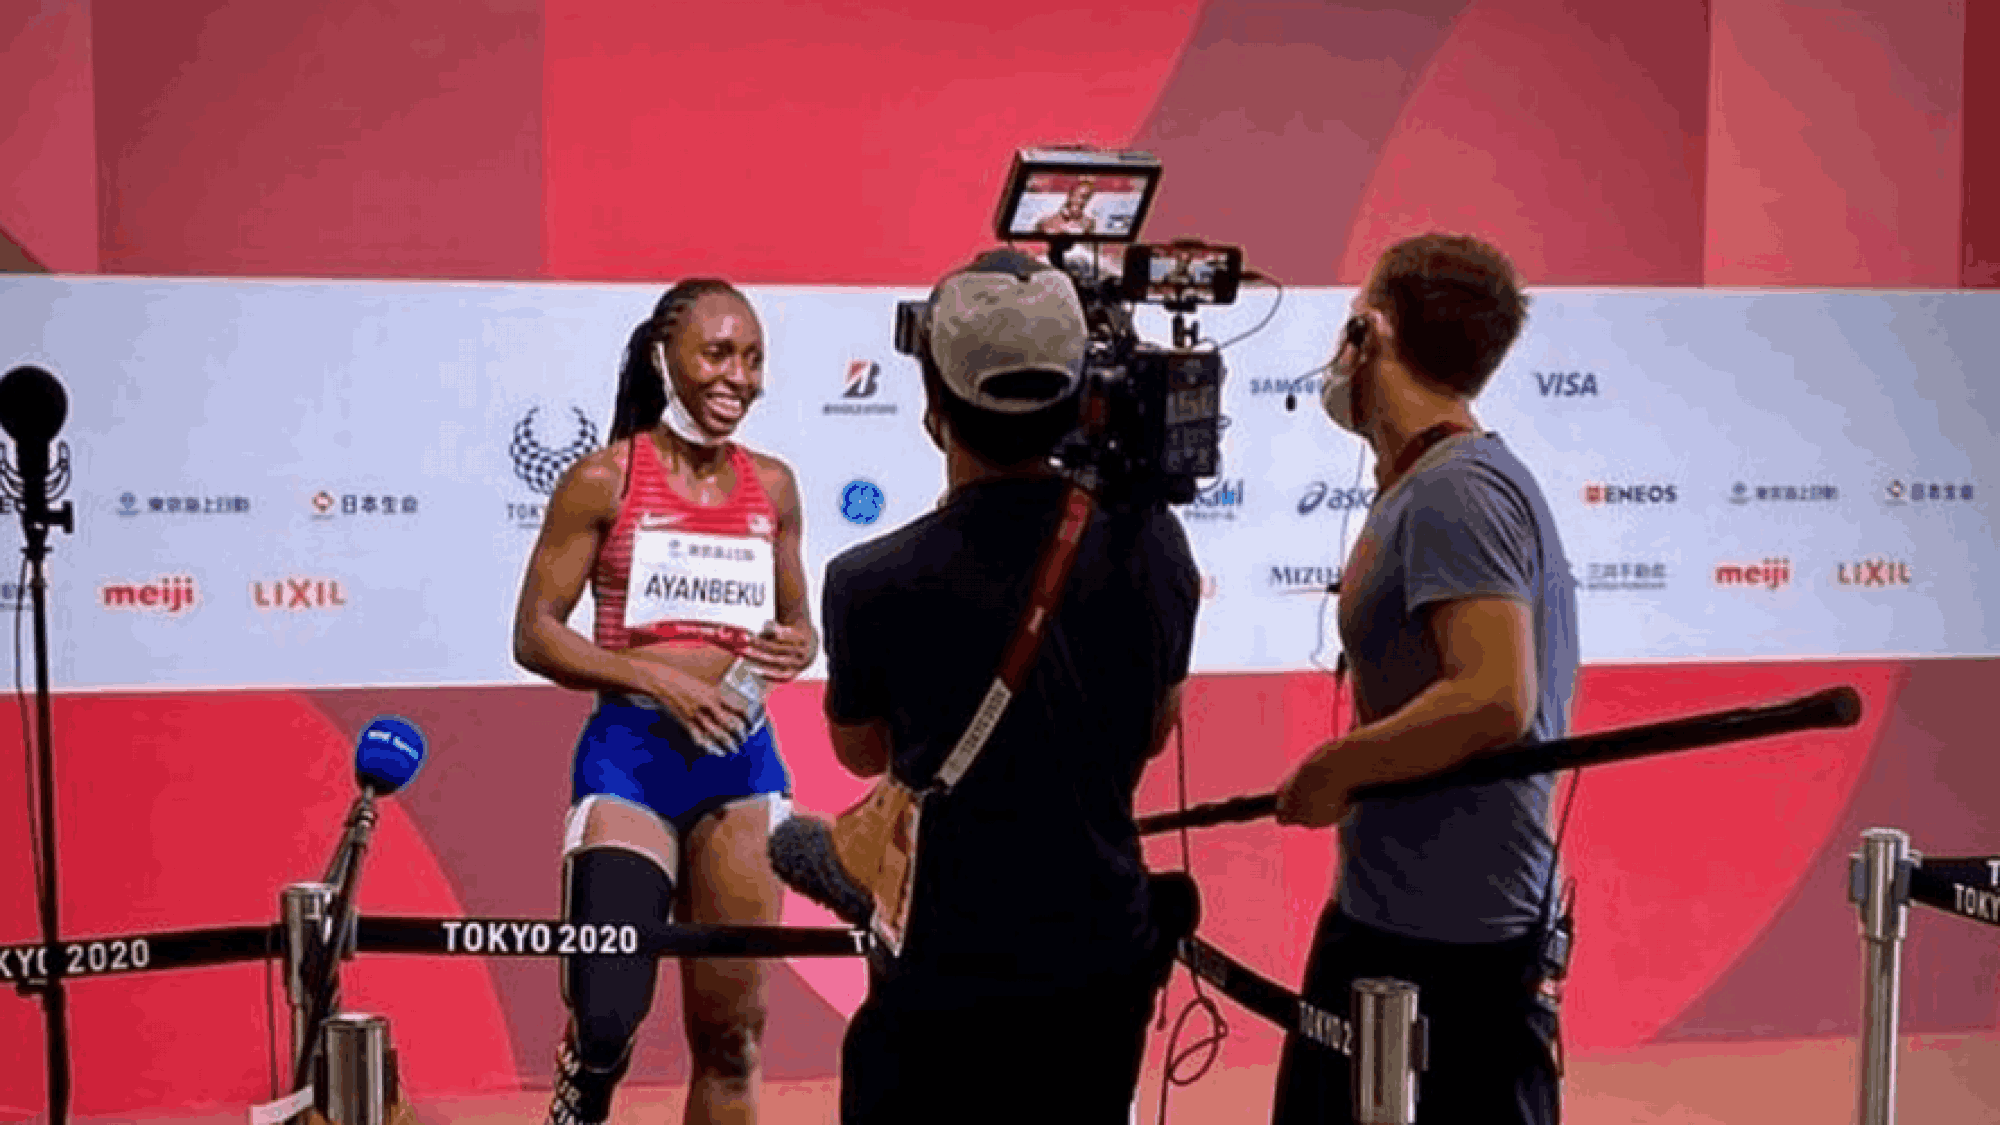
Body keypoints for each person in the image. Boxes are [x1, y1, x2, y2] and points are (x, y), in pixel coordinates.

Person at [821, 250, 1199, 1123]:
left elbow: (862, 749)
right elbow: (1154, 729)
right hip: (1102, 956)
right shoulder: (1155, 545)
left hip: (945, 962)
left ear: (935, 409)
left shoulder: (869, 577)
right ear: (1078, 400)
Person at [1270, 233, 1579, 1125]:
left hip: (1449, 949)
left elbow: (1494, 696)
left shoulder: (1457, 491)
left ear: (1370, 333)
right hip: (1403, 921)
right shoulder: (1435, 484)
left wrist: (1338, 768)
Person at [512, 279, 818, 1125]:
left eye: (753, 358)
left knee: (733, 1037)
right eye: (719, 352)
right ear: (665, 355)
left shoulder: (776, 487)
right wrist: (659, 678)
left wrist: (800, 645)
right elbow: (535, 631)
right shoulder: (603, 478)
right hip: (632, 763)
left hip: (742, 768)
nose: (739, 377)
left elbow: (798, 624)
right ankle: (584, 1087)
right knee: (607, 1017)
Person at [1034, 177, 1098, 235]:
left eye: (1086, 198)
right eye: (1078, 196)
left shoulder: (1088, 223)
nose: (1081, 201)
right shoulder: (1046, 220)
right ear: (1070, 195)